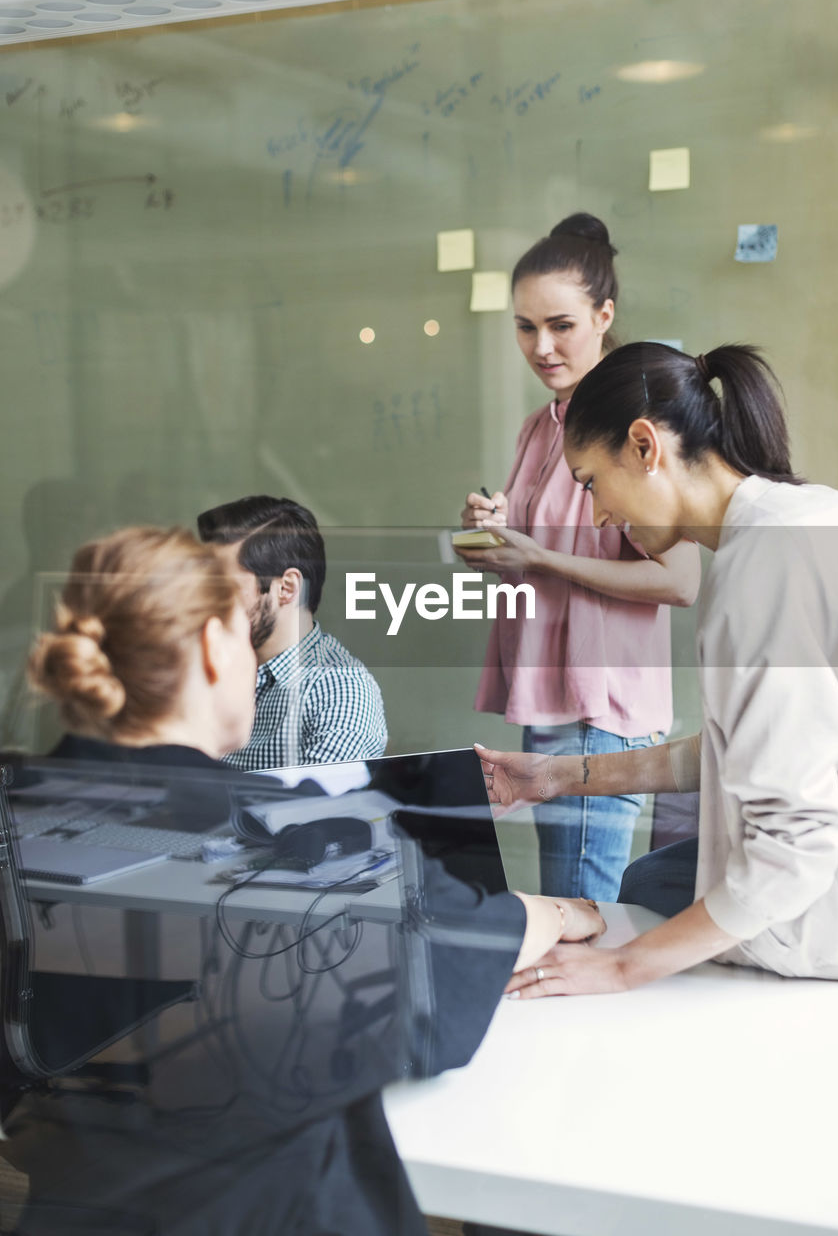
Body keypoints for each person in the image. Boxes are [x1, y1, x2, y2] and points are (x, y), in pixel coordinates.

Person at [3, 524, 604, 1235]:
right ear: (209, 647)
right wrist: (566, 914)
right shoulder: (288, 836)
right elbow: (462, 946)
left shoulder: (21, 812)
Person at [479, 340, 838, 995]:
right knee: (650, 879)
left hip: (821, 917)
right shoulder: (809, 515)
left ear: (645, 446)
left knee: (646, 893)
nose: (596, 513)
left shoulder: (760, 571)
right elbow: (735, 751)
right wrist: (553, 776)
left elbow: (796, 847)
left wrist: (624, 967)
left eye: (592, 482)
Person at [456, 213, 700, 900]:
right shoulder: (541, 423)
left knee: (578, 919)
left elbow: (678, 581)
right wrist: (487, 532)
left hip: (601, 714)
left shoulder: (638, 427)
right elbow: (536, 550)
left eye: (560, 325)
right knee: (567, 910)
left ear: (604, 315)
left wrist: (539, 560)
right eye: (524, 326)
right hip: (548, 703)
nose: (540, 345)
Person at [197, 494, 388, 770]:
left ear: (286, 588)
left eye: (223, 588)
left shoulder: (340, 691)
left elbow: (319, 810)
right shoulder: (205, 666)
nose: (206, 601)